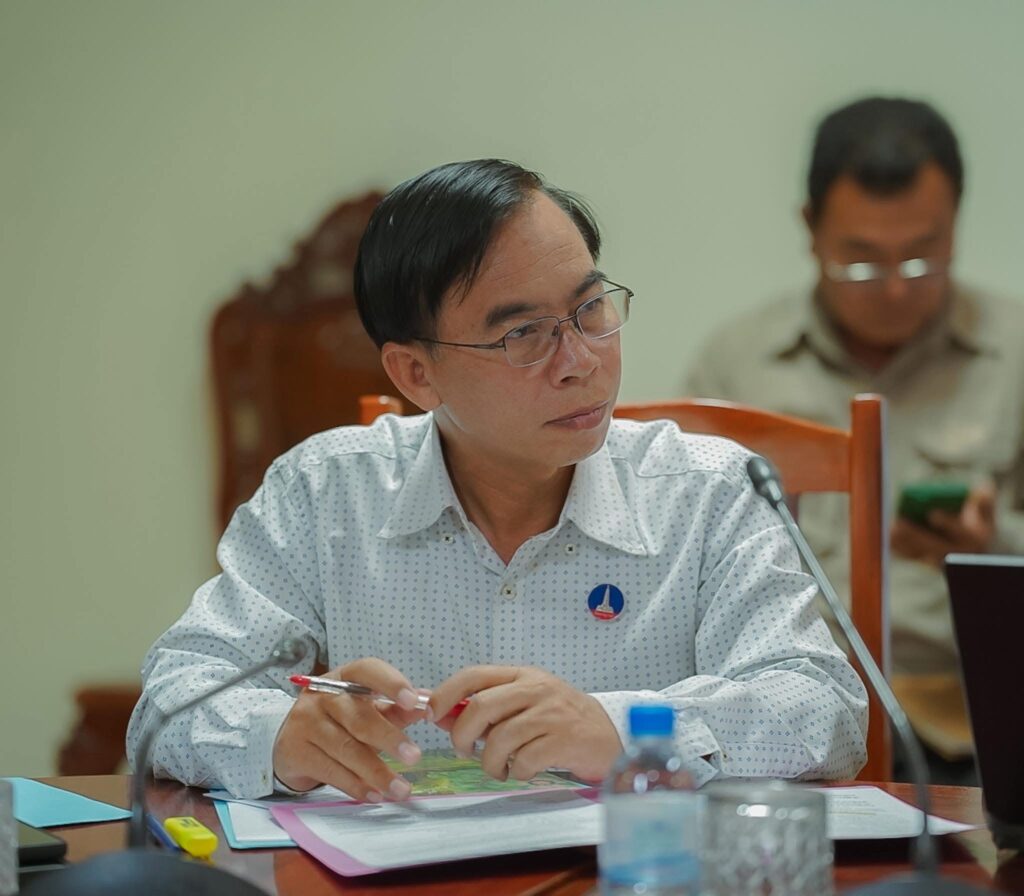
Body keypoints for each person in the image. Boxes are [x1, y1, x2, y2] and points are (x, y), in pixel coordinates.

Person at [128, 159, 867, 801]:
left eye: (590, 308)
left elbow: (825, 708)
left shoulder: (712, 492)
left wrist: (619, 730)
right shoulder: (325, 492)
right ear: (416, 374)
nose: (580, 361)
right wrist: (279, 737)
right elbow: (170, 699)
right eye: (523, 334)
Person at [686, 97, 1024, 784]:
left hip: (970, 726)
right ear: (811, 230)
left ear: (956, 223)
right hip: (783, 724)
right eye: (863, 262)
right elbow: (680, 557)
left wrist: (993, 546)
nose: (895, 290)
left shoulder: (1015, 354)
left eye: (921, 258)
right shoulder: (737, 366)